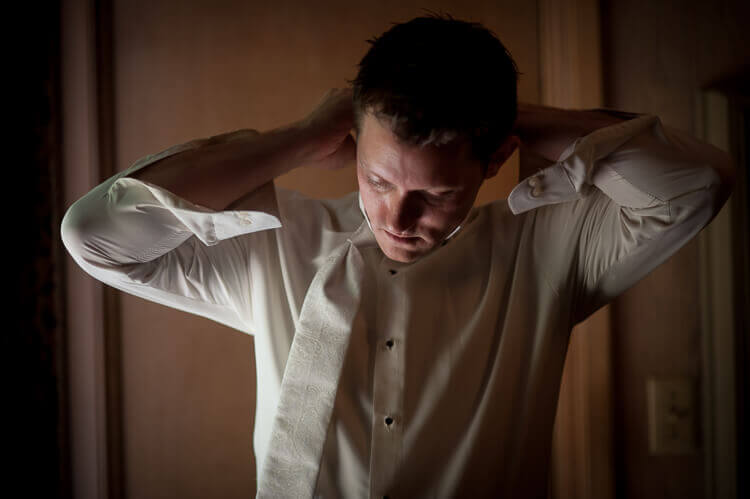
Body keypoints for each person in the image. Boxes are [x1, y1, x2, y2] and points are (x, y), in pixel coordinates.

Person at [60, 13, 735, 498]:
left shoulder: (549, 250)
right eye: (378, 179)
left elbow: (698, 184)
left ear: (496, 158)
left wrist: (507, 114)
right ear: (352, 140)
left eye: (435, 193)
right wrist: (299, 135)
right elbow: (93, 236)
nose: (397, 216)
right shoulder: (273, 244)